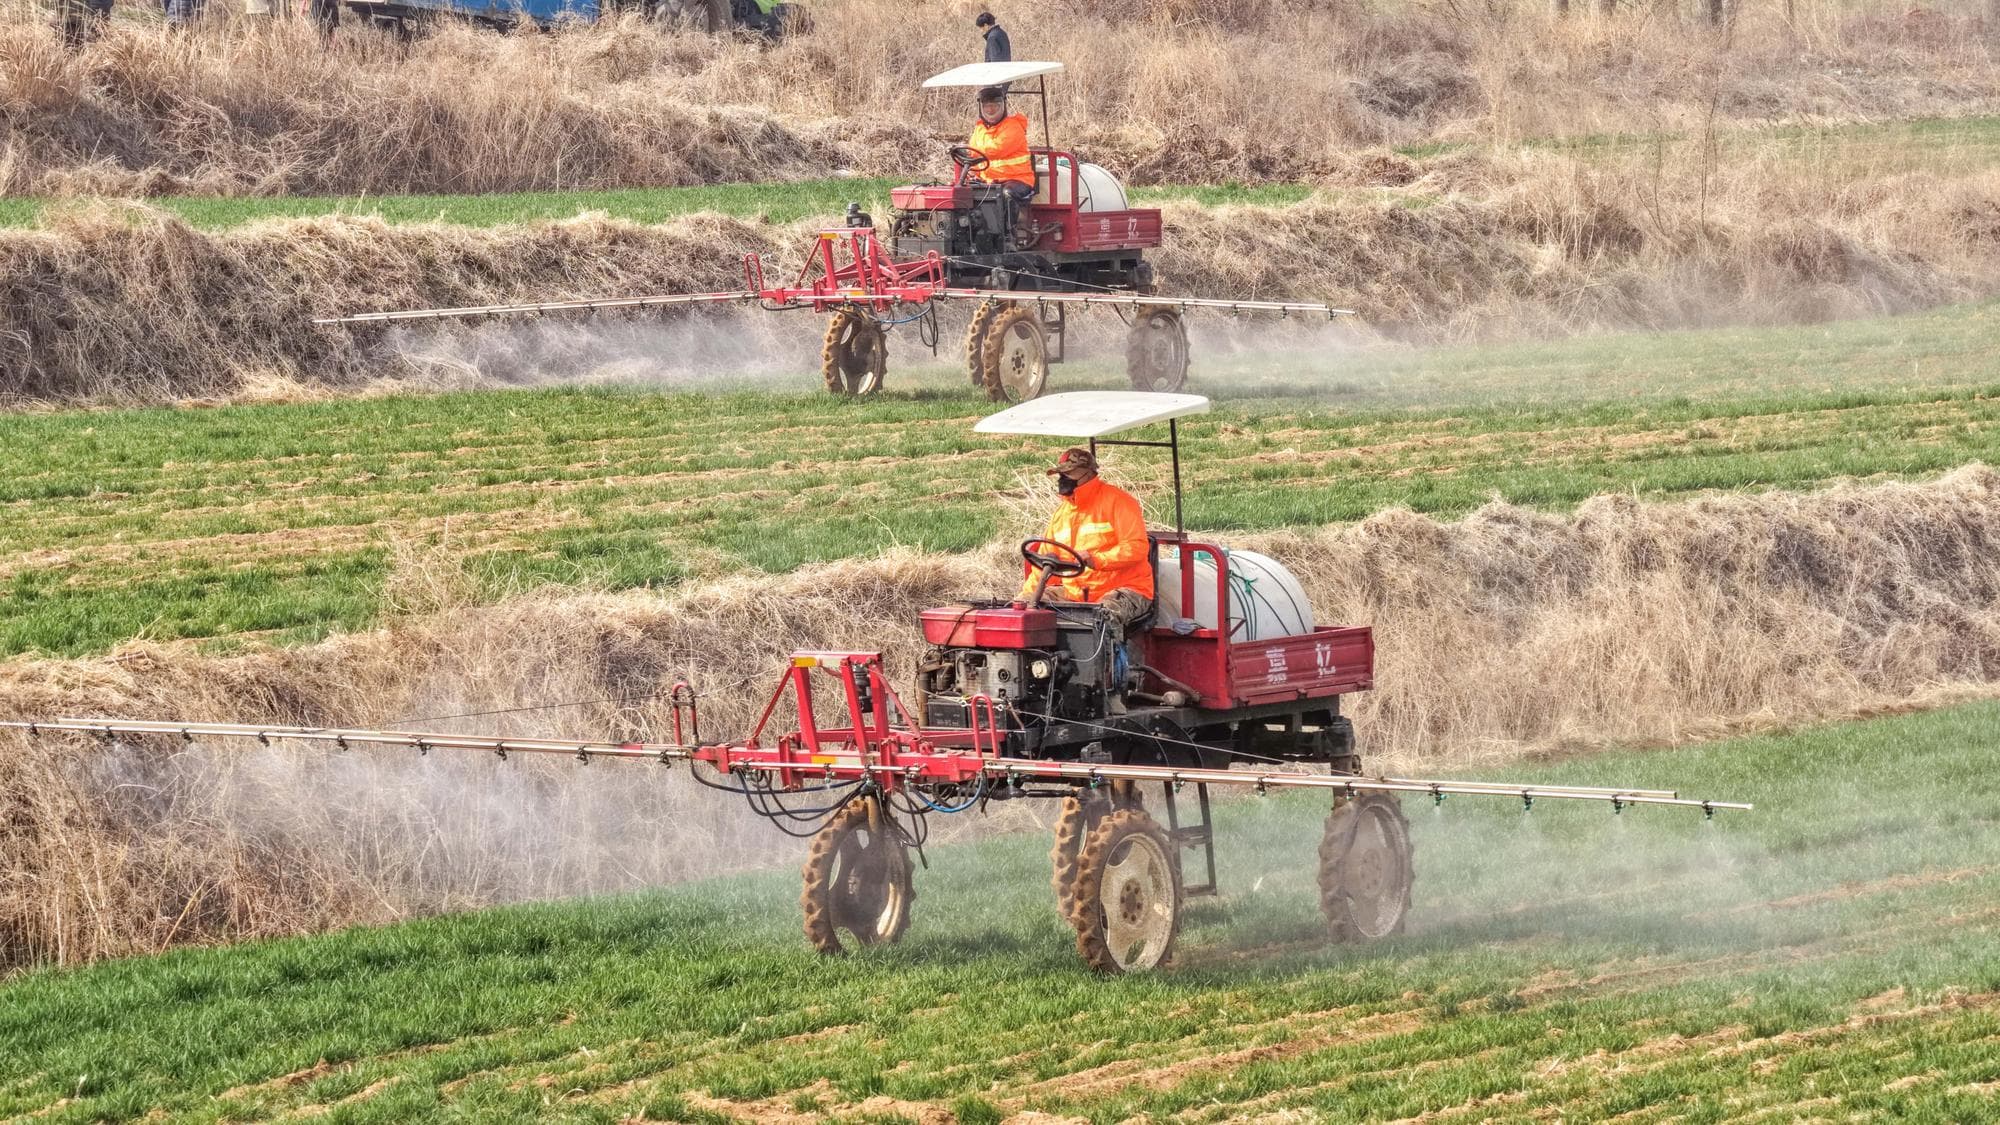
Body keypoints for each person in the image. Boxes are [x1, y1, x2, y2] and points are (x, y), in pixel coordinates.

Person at [1022, 446, 1155, 663]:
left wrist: (1096, 559)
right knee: (1024, 611)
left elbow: (1137, 547)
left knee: (1103, 617)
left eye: (1068, 474)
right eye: (1060, 474)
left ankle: (1107, 678)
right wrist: (1028, 598)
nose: (1062, 479)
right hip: (1074, 592)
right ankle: (1039, 671)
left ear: (1088, 474)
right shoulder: (1061, 514)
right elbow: (1045, 564)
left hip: (1126, 589)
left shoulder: (1118, 501)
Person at [968, 85, 1037, 220]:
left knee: (1006, 194)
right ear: (981, 108)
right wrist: (972, 172)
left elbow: (996, 149)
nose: (990, 110)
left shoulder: (1013, 127)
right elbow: (972, 154)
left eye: (994, 106)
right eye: (987, 106)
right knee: (962, 192)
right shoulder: (979, 129)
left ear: (1003, 106)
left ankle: (1008, 231)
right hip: (987, 179)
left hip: (1017, 179)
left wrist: (973, 152)